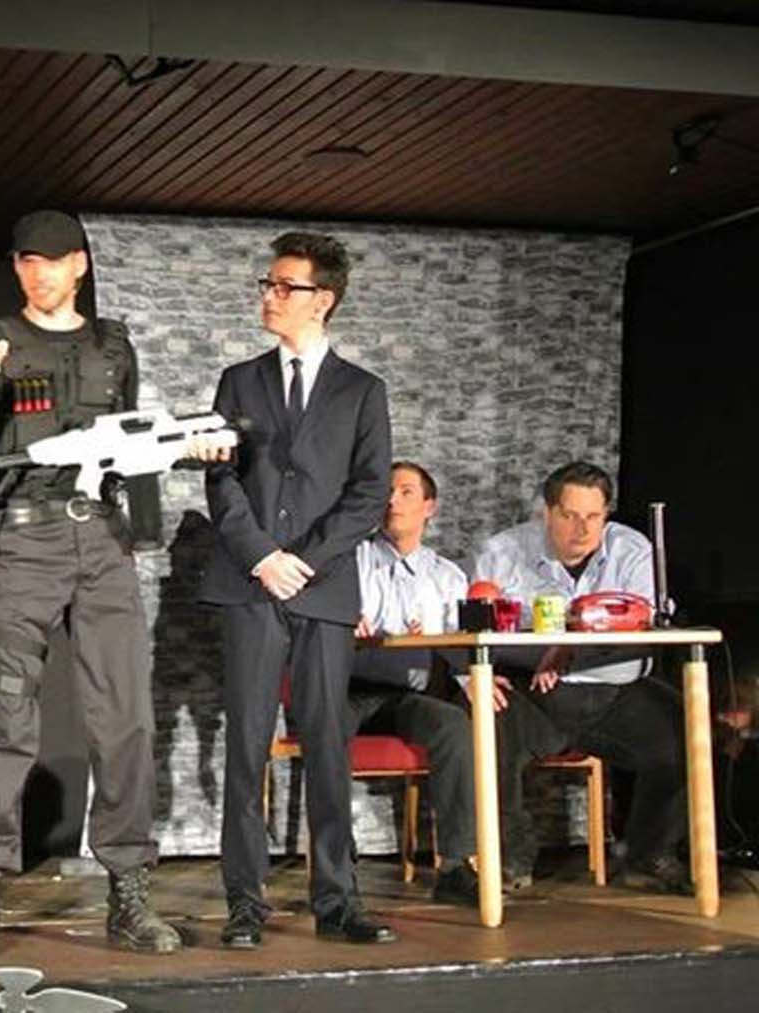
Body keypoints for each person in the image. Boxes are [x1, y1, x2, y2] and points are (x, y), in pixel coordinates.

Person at [0, 210, 180, 959]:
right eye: (27, 260)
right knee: (8, 715)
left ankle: (129, 894)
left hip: (104, 539)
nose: (40, 272)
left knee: (125, 720)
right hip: (29, 537)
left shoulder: (113, 345)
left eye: (53, 259)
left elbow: (136, 442)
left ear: (80, 264)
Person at [200, 231, 394, 947]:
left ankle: (338, 901)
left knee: (327, 745)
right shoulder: (239, 381)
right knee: (247, 747)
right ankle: (244, 905)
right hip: (251, 586)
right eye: (268, 283)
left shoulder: (361, 390)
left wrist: (301, 562)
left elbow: (369, 492)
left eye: (286, 286)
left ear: (324, 300)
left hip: (322, 586)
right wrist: (262, 557)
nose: (270, 296)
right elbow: (221, 479)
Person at [472, 460, 691, 893]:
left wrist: (568, 644)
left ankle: (650, 853)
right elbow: (472, 622)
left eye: (594, 516)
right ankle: (510, 859)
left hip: (614, 690)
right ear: (547, 512)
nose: (583, 528)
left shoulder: (633, 550)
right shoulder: (501, 552)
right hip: (532, 692)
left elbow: (641, 620)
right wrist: (488, 669)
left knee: (685, 729)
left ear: (606, 514)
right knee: (484, 724)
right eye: (570, 515)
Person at [350, 461, 481, 906]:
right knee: (325, 723)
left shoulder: (446, 576)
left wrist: (474, 681)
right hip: (347, 689)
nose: (393, 501)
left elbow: (458, 648)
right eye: (387, 491)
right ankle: (335, 864)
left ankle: (456, 865)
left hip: (405, 696)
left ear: (429, 507)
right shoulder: (349, 560)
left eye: (406, 492)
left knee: (454, 726)